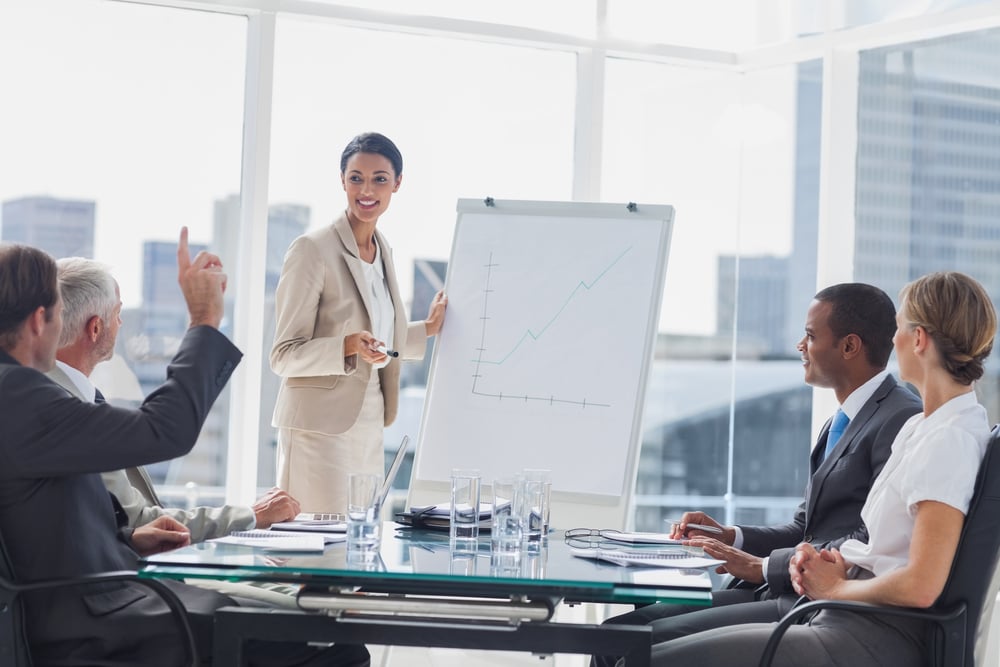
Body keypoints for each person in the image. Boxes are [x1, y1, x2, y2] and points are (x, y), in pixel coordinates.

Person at [0, 232, 368, 666]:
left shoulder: (20, 395)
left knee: (317, 636)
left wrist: (127, 538)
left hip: (104, 600)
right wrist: (204, 321)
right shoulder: (19, 394)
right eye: (61, 314)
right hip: (97, 625)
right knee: (337, 649)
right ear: (41, 319)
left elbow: (37, 520)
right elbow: (164, 430)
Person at [649, 271, 996, 666]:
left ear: (918, 340)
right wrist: (837, 563)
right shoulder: (924, 427)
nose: (892, 340)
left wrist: (836, 587)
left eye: (898, 328)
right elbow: (881, 543)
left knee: (649, 658)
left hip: (868, 631)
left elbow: (922, 584)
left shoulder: (949, 439)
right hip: (844, 614)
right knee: (646, 651)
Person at [595, 283, 922, 667]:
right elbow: (807, 528)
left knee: (636, 652)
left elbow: (869, 541)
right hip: (781, 591)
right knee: (613, 637)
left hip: (812, 605)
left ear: (849, 347)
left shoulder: (900, 417)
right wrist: (728, 536)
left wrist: (762, 566)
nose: (801, 345)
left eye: (812, 336)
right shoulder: (842, 420)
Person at [48, 256, 301, 542]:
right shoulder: (66, 409)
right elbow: (139, 520)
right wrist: (253, 515)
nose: (120, 323)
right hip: (124, 580)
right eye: (118, 314)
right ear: (95, 329)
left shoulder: (56, 395)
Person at [270, 131, 447, 513]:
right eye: (356, 178)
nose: (367, 190)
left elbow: (377, 335)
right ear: (342, 180)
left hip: (369, 422)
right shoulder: (312, 250)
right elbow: (283, 355)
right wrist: (346, 346)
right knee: (320, 553)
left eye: (380, 179)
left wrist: (427, 330)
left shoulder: (383, 251)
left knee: (356, 550)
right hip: (319, 431)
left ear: (397, 183)